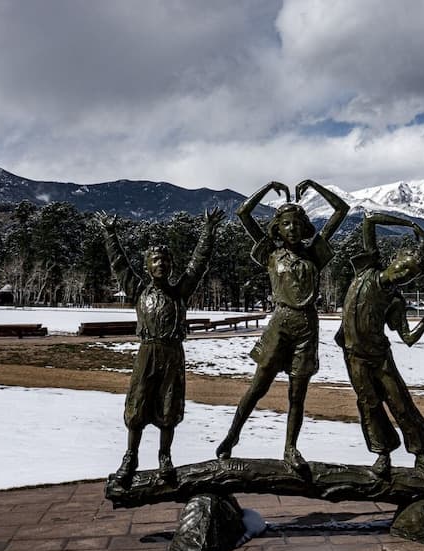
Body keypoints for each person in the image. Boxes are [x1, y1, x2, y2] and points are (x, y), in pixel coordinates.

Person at [215, 179, 349, 472]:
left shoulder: (314, 253)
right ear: (277, 228)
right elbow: (243, 213)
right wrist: (267, 187)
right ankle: (232, 436)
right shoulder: (270, 253)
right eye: (286, 224)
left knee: (297, 395)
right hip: (280, 325)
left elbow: (341, 210)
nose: (292, 228)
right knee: (257, 387)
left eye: (297, 224)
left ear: (305, 227)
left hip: (307, 327)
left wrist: (314, 185)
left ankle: (291, 448)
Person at [97, 208, 224, 487]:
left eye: (166, 260)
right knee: (137, 404)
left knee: (169, 406)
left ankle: (165, 456)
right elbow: (119, 264)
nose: (162, 264)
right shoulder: (138, 290)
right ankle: (130, 457)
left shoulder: (180, 292)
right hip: (147, 353)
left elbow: (199, 263)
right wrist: (110, 233)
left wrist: (208, 230)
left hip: (172, 353)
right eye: (156, 260)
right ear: (147, 266)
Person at [335, 212, 424, 479]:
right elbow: (369, 220)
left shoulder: (394, 301)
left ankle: (420, 455)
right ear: (394, 259)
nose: (404, 275)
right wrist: (410, 224)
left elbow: (408, 337)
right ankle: (382, 454)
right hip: (354, 356)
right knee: (368, 405)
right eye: (404, 267)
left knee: (400, 403)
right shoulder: (367, 268)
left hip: (380, 357)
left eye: (411, 276)